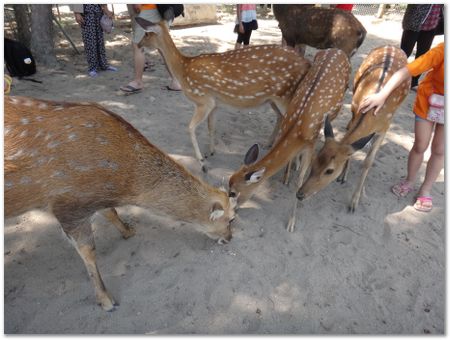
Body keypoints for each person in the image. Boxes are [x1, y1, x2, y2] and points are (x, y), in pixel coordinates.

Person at [359, 42, 444, 213]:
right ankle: (410, 180)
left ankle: (425, 189)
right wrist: (382, 95)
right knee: (421, 144)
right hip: (429, 103)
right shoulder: (443, 50)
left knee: (440, 150)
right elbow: (407, 70)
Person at [120, 4, 181, 94]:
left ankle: (138, 82)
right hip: (164, 9)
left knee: (138, 44)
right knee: (161, 45)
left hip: (150, 9)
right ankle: (176, 81)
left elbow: (137, 6)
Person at [400, 4, 443, 89]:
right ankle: (392, 77)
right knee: (404, 53)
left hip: (432, 24)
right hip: (413, 22)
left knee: (422, 55)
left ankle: (413, 81)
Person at [71, 4, 117, 77]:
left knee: (100, 40)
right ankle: (92, 68)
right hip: (86, 13)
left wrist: (106, 9)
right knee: (90, 41)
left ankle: (104, 65)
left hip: (98, 11)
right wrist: (77, 13)